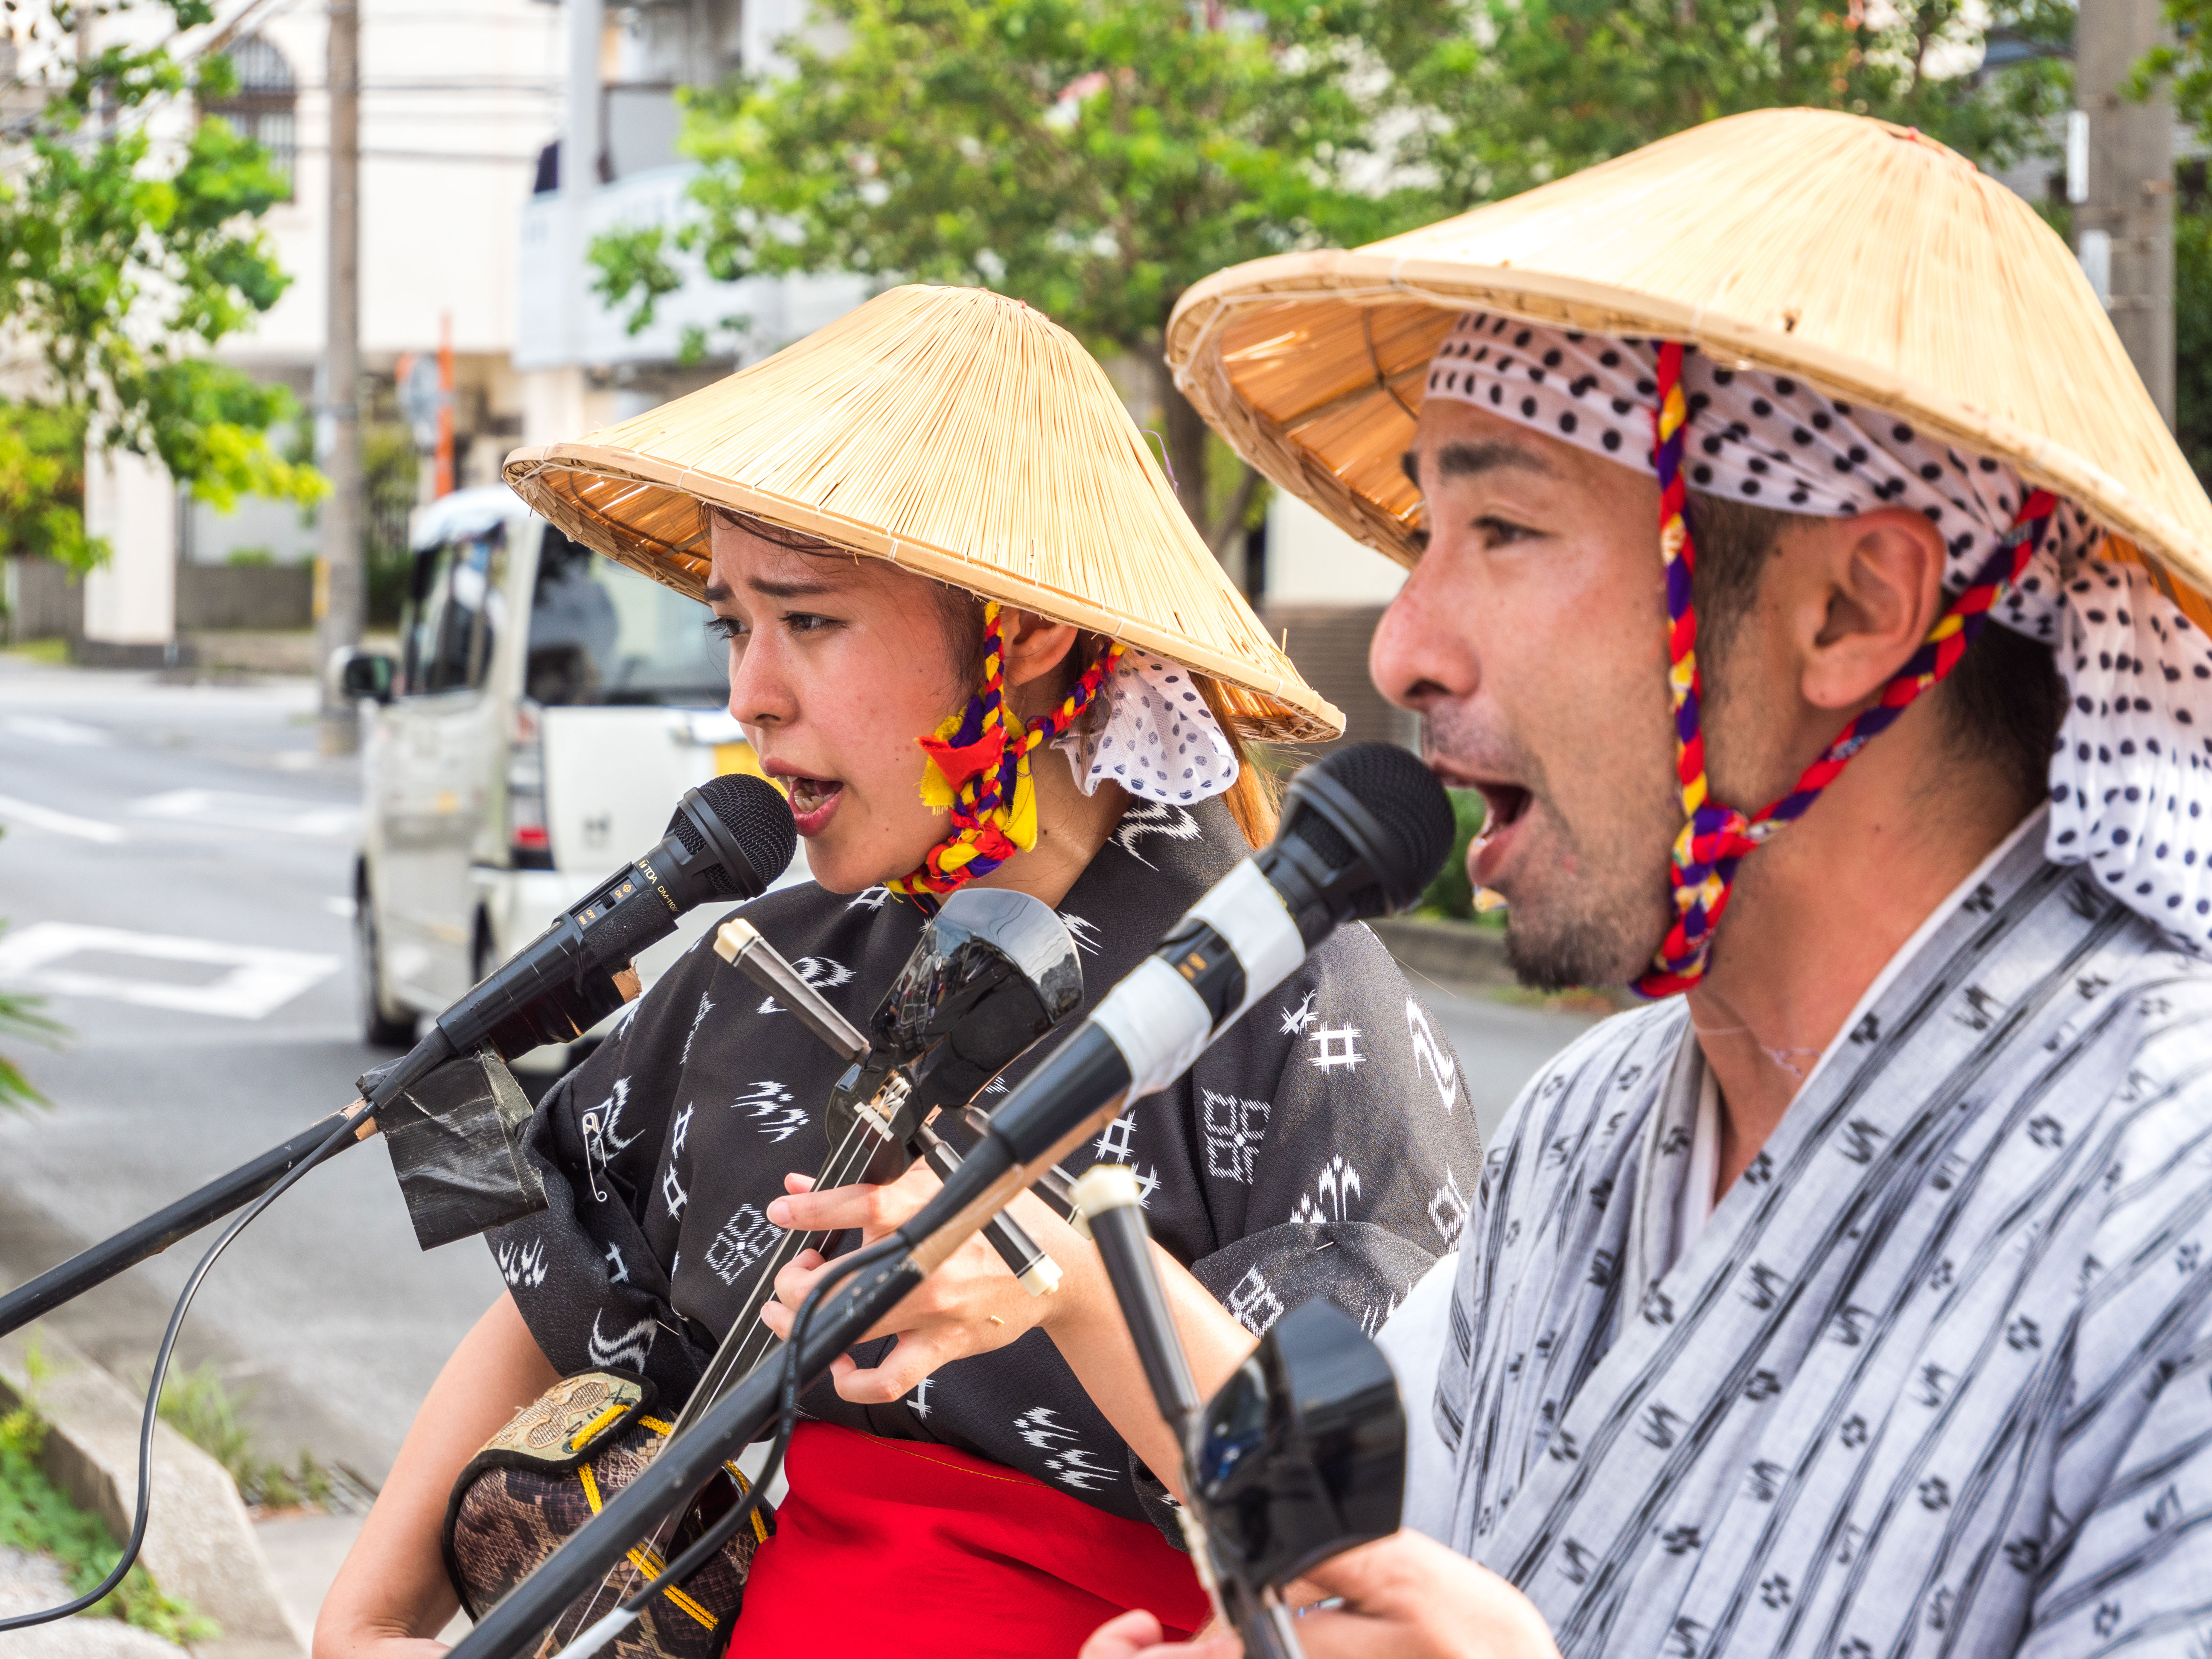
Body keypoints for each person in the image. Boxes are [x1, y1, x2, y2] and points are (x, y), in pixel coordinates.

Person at [1076, 107, 2212, 1657]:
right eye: (1426, 530)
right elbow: (1388, 1555)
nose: (1403, 646)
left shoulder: (2174, 1195)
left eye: (1507, 526)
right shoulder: (1592, 1125)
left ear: (1851, 612)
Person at [313, 284, 1482, 1659]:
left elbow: (1397, 1533)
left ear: (1026, 638)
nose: (751, 693)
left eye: (806, 622)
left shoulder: (1298, 1007)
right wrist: (370, 1625)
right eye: (730, 625)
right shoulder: (768, 964)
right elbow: (568, 1270)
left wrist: (1087, 1290)